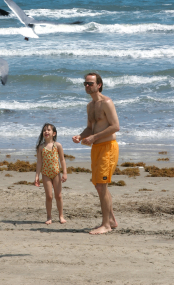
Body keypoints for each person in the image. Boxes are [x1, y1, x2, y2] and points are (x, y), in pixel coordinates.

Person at [72, 72, 120, 235]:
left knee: (101, 185)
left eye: (90, 83)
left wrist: (93, 137)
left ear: (99, 85)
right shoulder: (90, 106)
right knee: (99, 186)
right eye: (85, 83)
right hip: (96, 148)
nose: (87, 86)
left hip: (107, 147)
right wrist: (81, 136)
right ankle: (111, 220)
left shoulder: (107, 102)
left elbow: (115, 126)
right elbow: (90, 128)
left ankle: (105, 225)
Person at [35, 123, 67, 224]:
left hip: (56, 173)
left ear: (54, 133)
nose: (46, 131)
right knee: (49, 196)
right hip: (46, 174)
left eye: (48, 130)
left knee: (58, 196)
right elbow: (39, 162)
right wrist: (37, 176)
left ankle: (61, 216)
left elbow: (62, 160)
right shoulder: (41, 147)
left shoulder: (57, 145)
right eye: (44, 130)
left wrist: (64, 173)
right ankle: (49, 217)